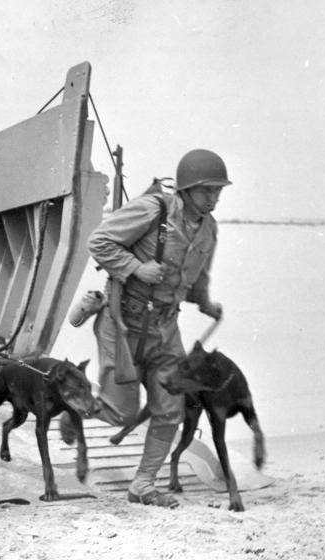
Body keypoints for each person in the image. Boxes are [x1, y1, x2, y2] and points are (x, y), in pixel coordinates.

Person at [63, 148, 230, 508]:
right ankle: (73, 407)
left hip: (165, 328)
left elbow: (197, 276)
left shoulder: (209, 229)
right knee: (121, 412)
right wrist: (137, 268)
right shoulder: (153, 210)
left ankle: (143, 484)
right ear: (186, 188)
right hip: (123, 323)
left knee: (170, 408)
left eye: (218, 190)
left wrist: (205, 302)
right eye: (207, 190)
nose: (214, 198)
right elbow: (99, 242)